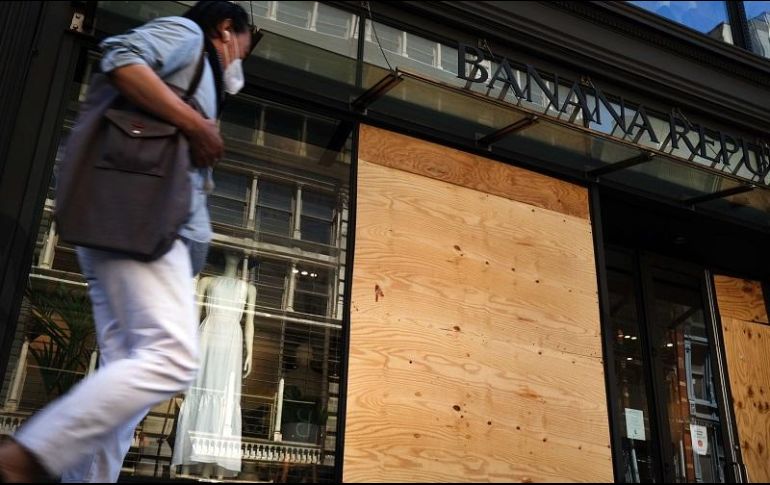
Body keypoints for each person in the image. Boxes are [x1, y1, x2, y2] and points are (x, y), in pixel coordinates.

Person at [0, 1, 255, 482]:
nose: (243, 59)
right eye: (244, 45)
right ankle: (25, 456)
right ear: (226, 29)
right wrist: (196, 123)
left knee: (127, 389)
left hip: (130, 224)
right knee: (172, 359)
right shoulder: (187, 35)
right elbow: (121, 56)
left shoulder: (198, 68)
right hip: (141, 224)